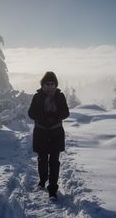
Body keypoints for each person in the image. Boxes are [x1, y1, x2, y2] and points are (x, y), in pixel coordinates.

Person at [28, 71, 70, 199]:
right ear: (43, 84)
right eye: (48, 83)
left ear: (55, 84)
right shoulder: (37, 96)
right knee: (42, 160)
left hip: (56, 132)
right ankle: (42, 179)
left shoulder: (60, 96)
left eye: (53, 84)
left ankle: (52, 189)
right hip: (41, 132)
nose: (50, 86)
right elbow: (31, 113)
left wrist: (55, 116)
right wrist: (43, 117)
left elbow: (66, 113)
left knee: (54, 162)